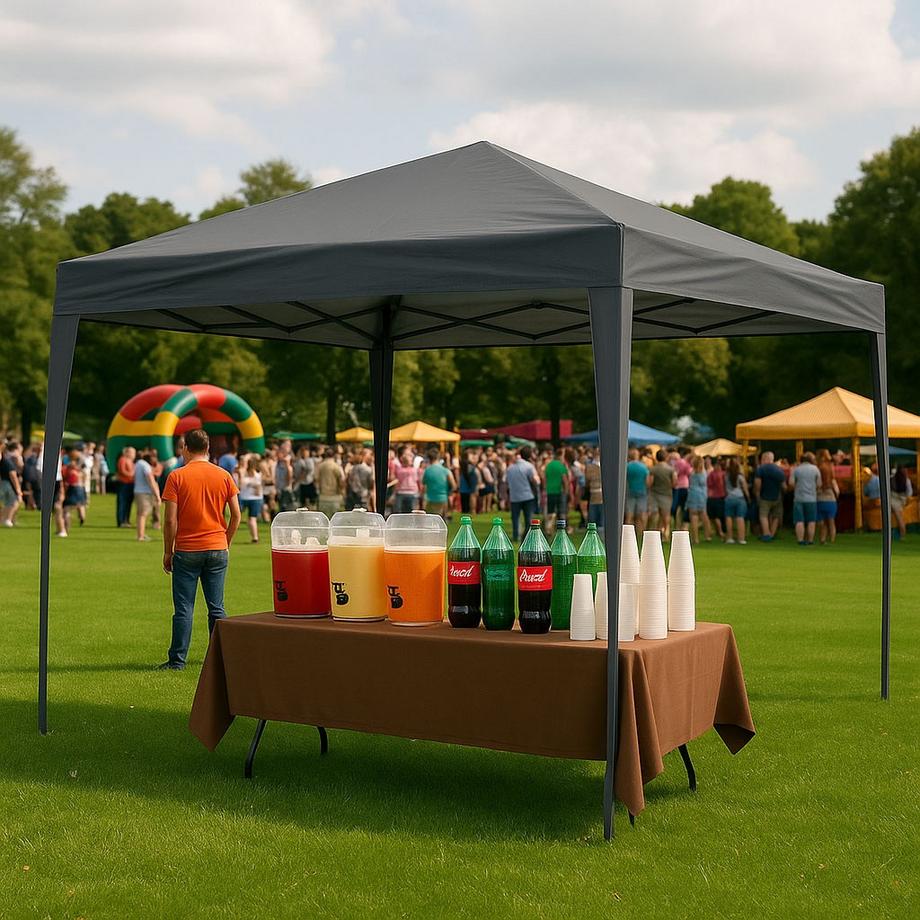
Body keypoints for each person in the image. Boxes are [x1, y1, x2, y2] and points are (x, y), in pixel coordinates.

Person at [159, 428, 240, 671]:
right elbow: (236, 515)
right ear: (208, 449)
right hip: (217, 547)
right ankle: (221, 658)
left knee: (184, 608)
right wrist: (226, 541)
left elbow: (170, 520)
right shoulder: (223, 475)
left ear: (185, 448)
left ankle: (177, 660)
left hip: (188, 549)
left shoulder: (177, 476)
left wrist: (167, 550)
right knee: (217, 607)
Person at [506, 446, 540, 541]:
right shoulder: (529, 466)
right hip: (527, 495)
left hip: (514, 496)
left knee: (515, 518)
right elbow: (536, 481)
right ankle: (528, 536)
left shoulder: (510, 468)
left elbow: (507, 482)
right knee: (528, 518)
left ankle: (516, 535)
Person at [754, 451, 786, 542]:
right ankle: (772, 533)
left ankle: (766, 533)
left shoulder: (761, 469)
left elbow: (757, 483)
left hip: (765, 496)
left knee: (763, 515)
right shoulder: (779, 470)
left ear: (764, 459)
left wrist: (757, 493)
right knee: (776, 516)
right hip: (777, 496)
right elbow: (784, 486)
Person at [790, 451, 821, 545]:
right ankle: (810, 540)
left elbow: (791, 483)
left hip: (799, 498)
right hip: (811, 498)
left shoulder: (796, 469)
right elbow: (819, 484)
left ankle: (800, 540)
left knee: (799, 520)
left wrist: (797, 487)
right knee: (811, 520)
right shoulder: (815, 469)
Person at [649, 449, 676, 542]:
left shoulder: (653, 469)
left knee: (655, 514)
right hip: (666, 494)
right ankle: (666, 534)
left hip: (654, 494)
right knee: (666, 515)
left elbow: (650, 483)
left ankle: (654, 533)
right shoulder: (671, 469)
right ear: (666, 457)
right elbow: (674, 483)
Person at [134, 449, 161, 541]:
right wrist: (157, 495)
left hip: (138, 491)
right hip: (144, 493)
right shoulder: (145, 466)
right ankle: (140, 536)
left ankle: (141, 534)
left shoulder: (138, 464)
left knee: (140, 514)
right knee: (143, 514)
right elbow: (151, 480)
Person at [815, 449, 840, 544]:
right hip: (830, 496)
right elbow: (834, 482)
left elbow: (818, 483)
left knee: (821, 522)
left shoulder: (818, 467)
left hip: (820, 495)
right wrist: (837, 493)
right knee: (831, 520)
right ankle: (832, 540)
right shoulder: (831, 467)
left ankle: (822, 539)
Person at [624, 448, 651, 538]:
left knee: (629, 513)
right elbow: (647, 482)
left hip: (630, 491)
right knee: (642, 513)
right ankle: (641, 533)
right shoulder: (643, 467)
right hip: (642, 491)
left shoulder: (627, 466)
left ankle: (627, 534)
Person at [422, 448, 455, 517]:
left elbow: (424, 485)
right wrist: (449, 492)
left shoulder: (427, 471)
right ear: (438, 457)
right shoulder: (445, 470)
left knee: (430, 522)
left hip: (430, 499)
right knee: (442, 522)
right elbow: (454, 485)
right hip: (442, 498)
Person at [238, 455, 264, 542]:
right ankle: (255, 537)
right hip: (256, 498)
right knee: (252, 518)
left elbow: (240, 486)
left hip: (245, 498)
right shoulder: (258, 475)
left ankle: (255, 537)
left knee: (239, 517)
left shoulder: (244, 474)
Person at [723, 459, 750, 544]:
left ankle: (730, 537)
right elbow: (745, 488)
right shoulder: (740, 476)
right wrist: (748, 498)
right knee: (740, 518)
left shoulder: (726, 476)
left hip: (729, 498)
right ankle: (741, 538)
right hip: (740, 498)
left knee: (729, 517)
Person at [543, 447, 569, 531]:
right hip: (560, 491)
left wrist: (545, 489)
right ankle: (562, 529)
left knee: (550, 512)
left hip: (550, 491)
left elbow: (544, 479)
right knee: (562, 512)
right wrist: (567, 492)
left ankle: (549, 529)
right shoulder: (561, 466)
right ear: (561, 456)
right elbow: (565, 480)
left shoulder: (549, 465)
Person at [686, 454, 710, 544]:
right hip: (702, 495)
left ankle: (695, 538)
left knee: (693, 516)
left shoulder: (692, 472)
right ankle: (708, 535)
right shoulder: (703, 473)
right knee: (704, 515)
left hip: (692, 494)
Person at [316, 447, 345, 518]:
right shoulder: (336, 466)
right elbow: (341, 480)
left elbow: (316, 480)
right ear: (334, 455)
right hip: (335, 497)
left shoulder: (320, 466)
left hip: (323, 497)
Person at [0, 441, 23, 527]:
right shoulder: (7, 461)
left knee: (7, 503)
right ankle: (7, 520)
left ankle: (4, 519)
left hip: (3, 482)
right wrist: (18, 490)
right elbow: (13, 475)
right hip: (7, 483)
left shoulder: (5, 459)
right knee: (13, 502)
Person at [670, 448, 693, 530]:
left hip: (676, 487)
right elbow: (689, 473)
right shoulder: (684, 463)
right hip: (683, 486)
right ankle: (681, 526)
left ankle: (676, 526)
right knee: (682, 508)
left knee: (676, 508)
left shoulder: (676, 463)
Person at [706, 457, 727, 542]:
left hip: (712, 497)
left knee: (713, 517)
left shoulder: (711, 474)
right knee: (718, 517)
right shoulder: (723, 474)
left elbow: (709, 485)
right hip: (721, 497)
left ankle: (718, 532)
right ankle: (720, 532)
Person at [890, 464, 912, 540]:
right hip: (901, 500)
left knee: (899, 518)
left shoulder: (892, 479)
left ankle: (902, 533)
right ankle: (900, 534)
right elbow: (909, 493)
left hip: (894, 500)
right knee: (898, 517)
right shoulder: (907, 480)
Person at [115, 446, 136, 527]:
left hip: (130, 484)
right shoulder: (123, 459)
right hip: (124, 483)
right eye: (132, 452)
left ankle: (126, 520)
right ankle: (121, 521)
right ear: (127, 452)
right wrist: (132, 474)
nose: (134, 454)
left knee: (128, 503)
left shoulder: (131, 461)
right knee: (122, 503)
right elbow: (122, 471)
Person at [583, 450, 604, 530]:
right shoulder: (590, 467)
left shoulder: (590, 467)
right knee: (595, 521)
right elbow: (587, 481)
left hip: (599, 497)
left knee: (598, 521)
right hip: (594, 497)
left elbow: (587, 481)